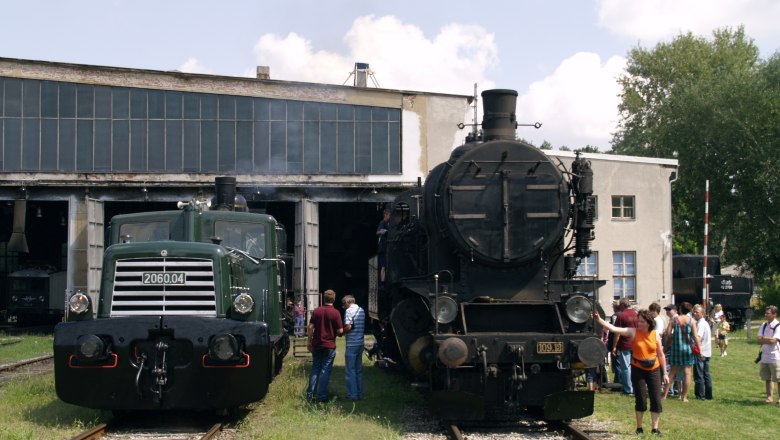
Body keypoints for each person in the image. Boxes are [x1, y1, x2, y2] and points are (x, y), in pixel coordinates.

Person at [594, 309, 668, 435]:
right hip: (638, 368)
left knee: (656, 398)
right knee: (640, 399)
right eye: (638, 321)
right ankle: (639, 428)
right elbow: (613, 329)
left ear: (648, 323)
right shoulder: (633, 332)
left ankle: (655, 428)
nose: (638, 323)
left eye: (641, 321)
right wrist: (599, 319)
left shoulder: (655, 334)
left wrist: (665, 373)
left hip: (653, 369)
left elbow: (660, 355)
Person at [306, 289, 344, 402]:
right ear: (334, 299)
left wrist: (309, 341)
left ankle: (310, 395)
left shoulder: (317, 311)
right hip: (329, 345)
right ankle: (322, 396)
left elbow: (310, 327)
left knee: (315, 369)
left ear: (323, 298)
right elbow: (340, 331)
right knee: (325, 370)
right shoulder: (336, 313)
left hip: (317, 344)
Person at [662, 301, 700, 402]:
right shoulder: (692, 321)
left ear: (680, 309)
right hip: (687, 349)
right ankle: (684, 397)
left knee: (672, 372)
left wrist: (667, 345)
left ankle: (665, 395)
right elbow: (695, 336)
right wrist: (699, 348)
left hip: (676, 348)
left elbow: (668, 334)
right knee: (688, 373)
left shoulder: (674, 320)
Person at [342, 295, 365, 401]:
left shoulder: (349, 311)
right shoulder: (361, 310)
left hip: (352, 344)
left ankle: (352, 395)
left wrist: (342, 331)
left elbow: (349, 326)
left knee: (350, 371)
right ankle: (359, 394)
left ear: (347, 302)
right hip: (360, 343)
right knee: (358, 370)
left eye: (344, 304)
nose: (344, 307)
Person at [612, 297, 638, 395]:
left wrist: (614, 346)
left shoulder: (622, 315)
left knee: (626, 368)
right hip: (636, 344)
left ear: (622, 305)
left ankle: (628, 390)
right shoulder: (637, 314)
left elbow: (617, 333)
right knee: (636, 367)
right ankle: (636, 388)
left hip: (625, 345)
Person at [757, 305, 780, 404]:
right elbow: (758, 340)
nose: (765, 315)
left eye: (768, 313)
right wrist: (766, 339)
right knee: (767, 378)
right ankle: (769, 397)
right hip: (765, 356)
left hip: (775, 356)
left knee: (778, 379)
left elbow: (773, 340)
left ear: (774, 315)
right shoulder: (764, 325)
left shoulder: (778, 326)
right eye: (765, 313)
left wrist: (764, 339)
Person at [692, 304, 712, 400]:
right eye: (694, 312)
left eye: (697, 312)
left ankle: (700, 395)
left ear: (702, 314)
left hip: (701, 352)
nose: (694, 313)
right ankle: (709, 394)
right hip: (707, 352)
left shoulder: (700, 324)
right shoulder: (705, 323)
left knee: (699, 374)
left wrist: (692, 344)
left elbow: (698, 338)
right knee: (706, 374)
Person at [376, 209, 390, 283]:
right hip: (382, 248)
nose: (390, 216)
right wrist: (383, 231)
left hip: (385, 247)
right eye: (389, 215)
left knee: (385, 266)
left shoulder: (388, 223)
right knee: (383, 266)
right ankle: (382, 281)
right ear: (385, 215)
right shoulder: (382, 222)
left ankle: (384, 280)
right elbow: (378, 232)